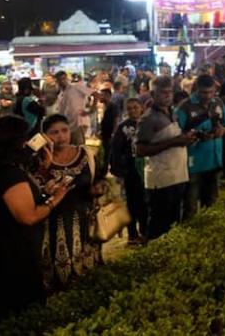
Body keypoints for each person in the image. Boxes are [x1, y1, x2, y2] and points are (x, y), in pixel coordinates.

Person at [0, 115, 71, 326]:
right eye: (24, 138)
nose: (28, 143)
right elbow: (28, 216)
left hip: (3, 250)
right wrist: (55, 200)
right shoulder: (9, 175)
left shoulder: (1, 169)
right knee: (19, 316)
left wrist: (43, 176)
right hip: (10, 256)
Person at [32, 114, 104, 290]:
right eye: (54, 132)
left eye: (64, 130)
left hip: (85, 222)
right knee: (57, 280)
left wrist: (98, 189)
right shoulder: (37, 160)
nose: (61, 136)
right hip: (52, 226)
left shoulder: (86, 154)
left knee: (87, 276)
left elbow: (99, 179)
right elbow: (32, 192)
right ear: (45, 136)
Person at [135, 76, 195, 240]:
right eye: (163, 93)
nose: (167, 96)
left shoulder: (172, 113)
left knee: (174, 223)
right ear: (153, 94)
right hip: (160, 180)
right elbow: (140, 150)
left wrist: (185, 138)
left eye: (170, 92)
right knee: (159, 226)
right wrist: (174, 142)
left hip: (177, 175)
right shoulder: (148, 118)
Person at [174, 74, 225, 220]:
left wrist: (222, 131)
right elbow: (175, 135)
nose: (207, 96)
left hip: (214, 162)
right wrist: (192, 137)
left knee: (212, 206)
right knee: (190, 208)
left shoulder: (218, 103)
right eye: (203, 92)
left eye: (211, 92)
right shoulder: (185, 107)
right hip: (193, 166)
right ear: (196, 89)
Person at [109, 98, 148, 244]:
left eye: (135, 107)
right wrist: (118, 171)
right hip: (130, 170)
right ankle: (132, 234)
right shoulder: (123, 127)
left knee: (144, 202)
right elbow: (115, 150)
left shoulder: (146, 124)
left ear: (141, 108)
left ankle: (144, 231)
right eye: (130, 108)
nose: (133, 110)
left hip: (145, 168)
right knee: (132, 203)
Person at [54, 71, 95, 145]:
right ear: (57, 81)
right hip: (68, 126)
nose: (62, 81)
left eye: (64, 79)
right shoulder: (61, 94)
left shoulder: (76, 87)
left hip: (78, 123)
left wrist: (91, 110)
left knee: (79, 147)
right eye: (60, 80)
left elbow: (96, 95)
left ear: (67, 78)